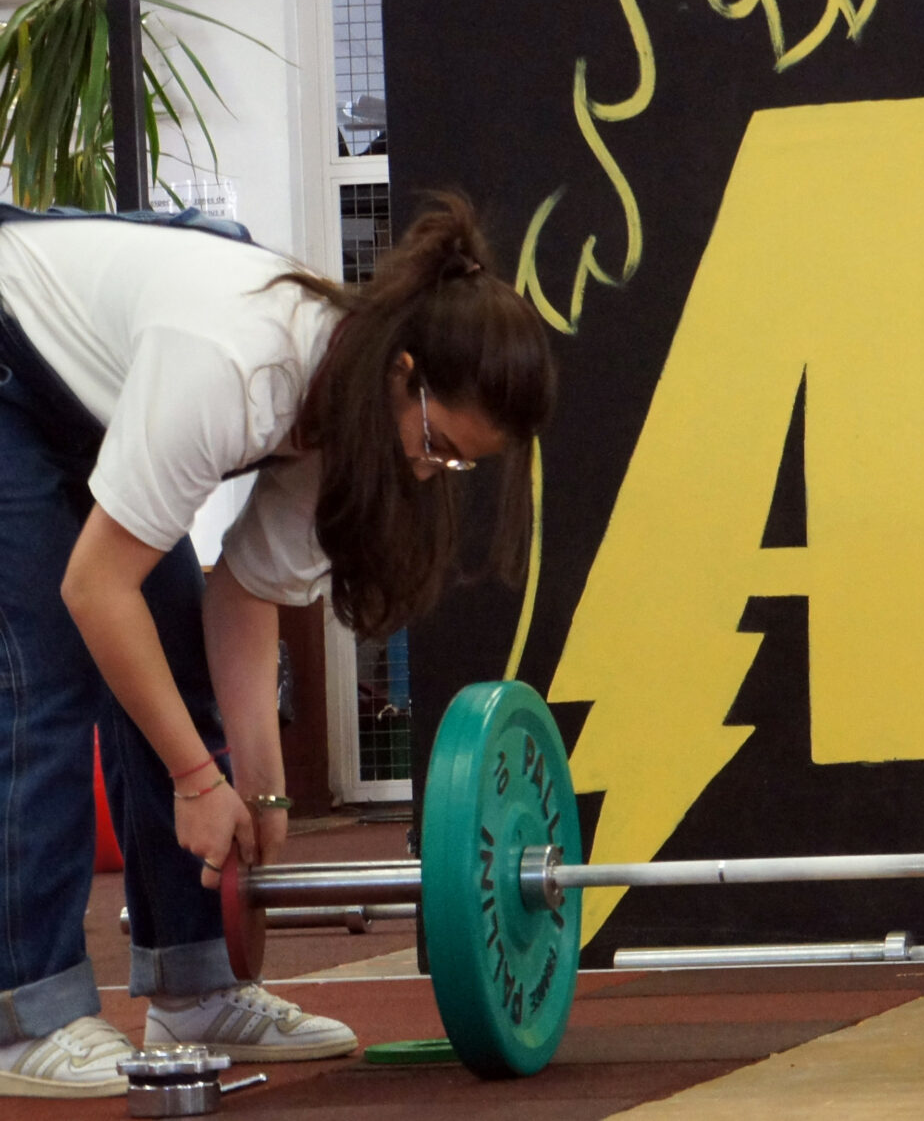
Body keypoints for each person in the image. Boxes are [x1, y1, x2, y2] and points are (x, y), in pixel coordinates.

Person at [0, 195, 553, 1099]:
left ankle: (197, 988)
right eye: (436, 444)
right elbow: (95, 588)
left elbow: (244, 594)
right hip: (10, 364)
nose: (429, 470)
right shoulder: (239, 366)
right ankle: (26, 1018)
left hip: (90, 397)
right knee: (46, 671)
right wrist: (196, 780)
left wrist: (258, 789)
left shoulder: (350, 410)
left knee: (175, 662)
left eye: (455, 463)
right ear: (405, 374)